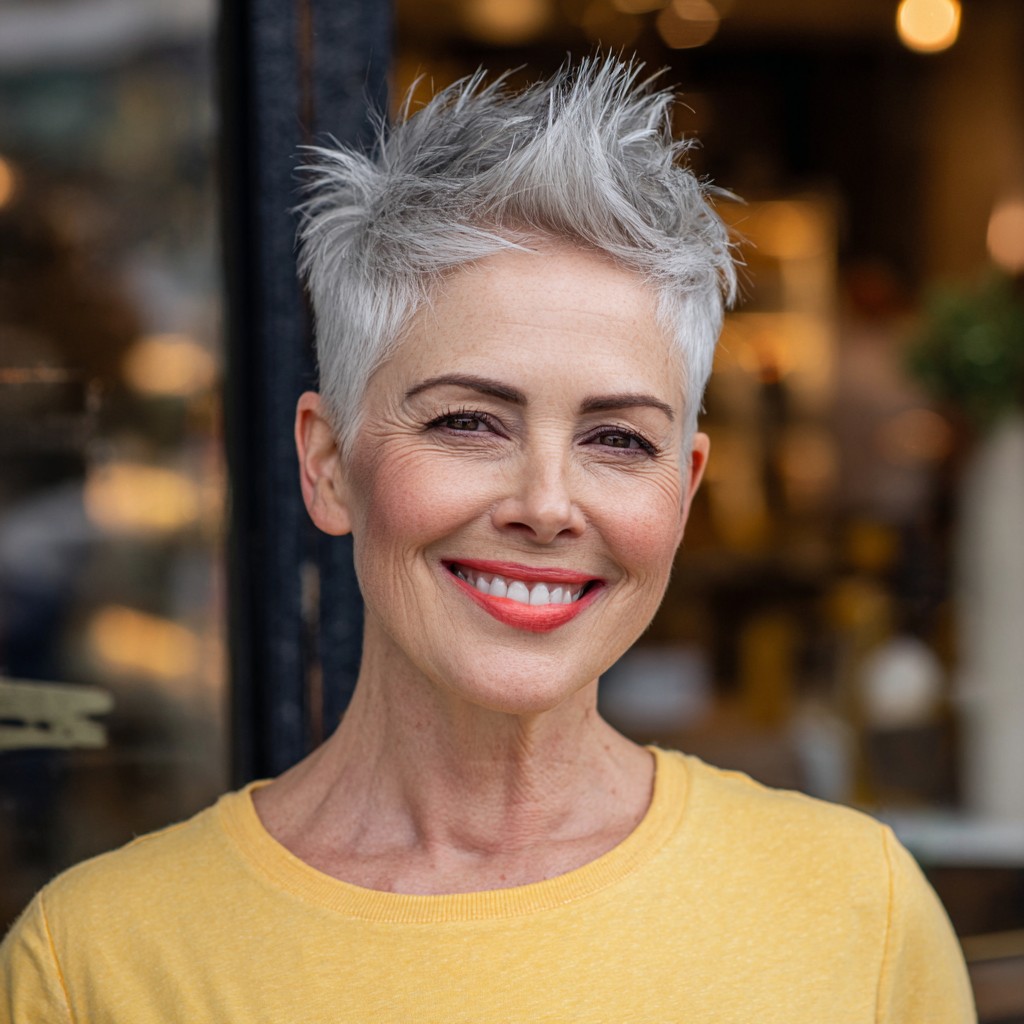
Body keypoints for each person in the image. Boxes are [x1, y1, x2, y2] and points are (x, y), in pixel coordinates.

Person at [1, 57, 975, 1022]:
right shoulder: (97, 965)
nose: (546, 504)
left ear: (683, 493)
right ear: (328, 464)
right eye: (468, 422)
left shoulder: (860, 913)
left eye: (617, 439)